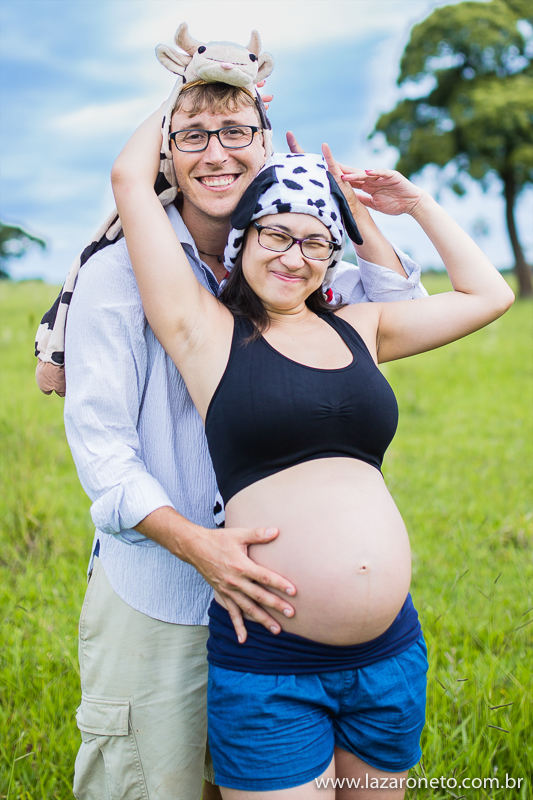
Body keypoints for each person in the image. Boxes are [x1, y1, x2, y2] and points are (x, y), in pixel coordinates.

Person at [110, 105, 514, 799]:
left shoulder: (362, 325)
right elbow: (128, 178)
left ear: (332, 256)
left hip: (388, 654)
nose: (293, 257)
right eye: (275, 234)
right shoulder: (206, 333)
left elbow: (490, 294)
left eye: (314, 242)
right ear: (243, 238)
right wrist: (201, 85)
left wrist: (412, 204)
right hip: (272, 662)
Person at [65, 80, 430, 800]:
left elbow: (396, 306)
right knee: (157, 785)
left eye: (236, 131)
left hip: (294, 627)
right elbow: (103, 454)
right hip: (165, 591)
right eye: (191, 134)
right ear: (167, 147)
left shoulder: (293, 265)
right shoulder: (118, 274)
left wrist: (351, 209)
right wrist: (201, 546)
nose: (215, 152)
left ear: (265, 144)